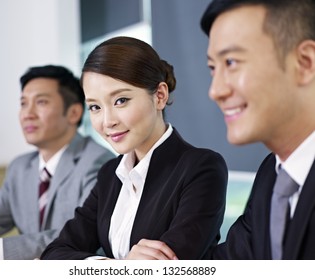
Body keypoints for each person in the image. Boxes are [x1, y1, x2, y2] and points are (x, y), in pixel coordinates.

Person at [40, 36, 228, 260]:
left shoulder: (201, 168)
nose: (107, 121)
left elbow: (168, 266)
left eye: (120, 100)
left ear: (159, 96)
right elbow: (55, 253)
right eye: (95, 106)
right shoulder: (110, 174)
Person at [200, 0, 315, 259]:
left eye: (230, 62)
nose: (215, 91)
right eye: (212, 68)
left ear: (305, 62)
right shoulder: (272, 174)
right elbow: (233, 260)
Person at [0, 65, 115, 260]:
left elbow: (80, 234)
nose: (27, 113)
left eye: (41, 102)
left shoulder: (98, 161)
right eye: (23, 103)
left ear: (74, 113)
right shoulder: (20, 168)